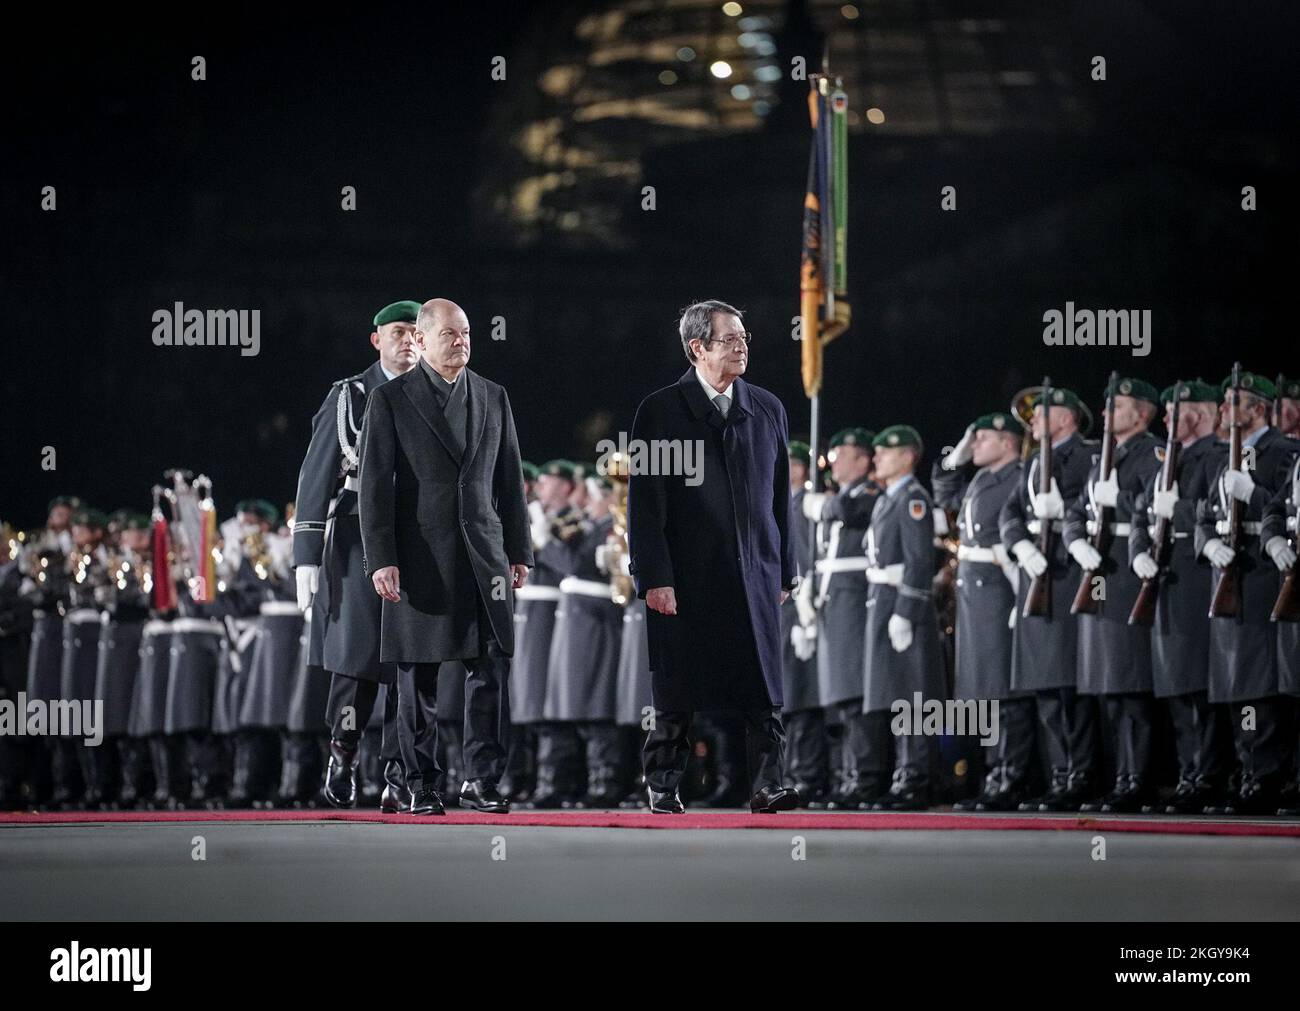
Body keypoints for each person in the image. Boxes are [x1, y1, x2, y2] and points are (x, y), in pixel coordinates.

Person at [358, 297, 532, 816]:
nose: (462, 342)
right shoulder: (390, 400)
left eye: (466, 333)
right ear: (424, 339)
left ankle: (480, 780)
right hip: (418, 557)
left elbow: (510, 479)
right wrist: (381, 558)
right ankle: (421, 782)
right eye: (451, 334)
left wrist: (517, 549)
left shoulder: (492, 395)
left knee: (490, 669)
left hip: (484, 555)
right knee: (417, 676)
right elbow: (374, 487)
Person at [627, 299, 798, 815]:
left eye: (744, 336)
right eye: (730, 339)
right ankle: (663, 782)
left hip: (756, 571)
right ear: (697, 347)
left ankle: (767, 785)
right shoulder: (659, 410)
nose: (743, 345)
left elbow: (780, 498)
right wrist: (654, 575)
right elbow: (645, 505)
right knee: (678, 688)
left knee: (763, 688)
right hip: (685, 576)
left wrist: (786, 568)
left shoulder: (767, 408)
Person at [292, 299, 421, 812]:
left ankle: (397, 771)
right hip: (355, 539)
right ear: (376, 340)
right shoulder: (351, 395)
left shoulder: (435, 393)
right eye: (397, 332)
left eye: (416, 332)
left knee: (412, 662)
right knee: (358, 660)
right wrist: (306, 554)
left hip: (416, 540)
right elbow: (316, 474)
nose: (408, 340)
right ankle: (344, 753)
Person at [1196, 371, 1298, 814]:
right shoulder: (1226, 458)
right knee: (1238, 687)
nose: (1223, 410)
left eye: (1232, 401)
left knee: (1261, 688)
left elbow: (1284, 510)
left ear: (1257, 407)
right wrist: (1207, 543)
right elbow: (1204, 514)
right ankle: (1248, 772)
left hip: (1261, 577)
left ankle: (1266, 778)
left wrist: (1253, 494)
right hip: (1230, 576)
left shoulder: (1283, 452)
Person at [1063, 377, 1163, 813]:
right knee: (1106, 686)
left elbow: (1150, 507)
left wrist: (1118, 499)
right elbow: (1076, 510)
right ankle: (1117, 776)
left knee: (1131, 685)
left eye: (1116, 406)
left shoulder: (1152, 453)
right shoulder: (1102, 455)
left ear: (1141, 413)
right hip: (1098, 570)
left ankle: (1137, 778)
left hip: (1126, 568)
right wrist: (1074, 541)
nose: (1105, 414)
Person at [1129, 380, 1229, 812]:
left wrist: (1180, 512)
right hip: (1164, 578)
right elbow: (1140, 513)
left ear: (1203, 414)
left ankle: (1206, 776)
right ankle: (1189, 773)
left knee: (1197, 686)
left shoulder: (1218, 457)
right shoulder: (1168, 460)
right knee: (1174, 686)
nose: (1167, 417)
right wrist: (1137, 553)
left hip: (1195, 576)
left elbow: (1217, 512)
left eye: (1177, 409)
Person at [999, 387, 1099, 811]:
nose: (1034, 418)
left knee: (1068, 689)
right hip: (1037, 575)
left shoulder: (1088, 455)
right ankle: (1059, 774)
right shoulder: (1034, 459)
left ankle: (1081, 776)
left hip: (1068, 576)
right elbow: (1010, 513)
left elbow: (1094, 505)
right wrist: (1020, 545)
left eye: (1043, 411)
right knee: (1044, 690)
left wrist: (1064, 510)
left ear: (1068, 417)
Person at [933, 413, 1031, 811]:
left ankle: (1010, 777)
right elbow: (945, 496)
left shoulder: (1018, 476)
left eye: (983, 438)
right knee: (983, 694)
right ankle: (991, 773)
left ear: (1007, 442)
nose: (975, 446)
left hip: (998, 589)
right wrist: (953, 460)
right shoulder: (983, 477)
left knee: (1004, 692)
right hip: (975, 595)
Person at [858, 425, 944, 810]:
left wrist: (906, 611)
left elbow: (920, 561)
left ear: (908, 456)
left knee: (912, 696)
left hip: (901, 606)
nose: (876, 459)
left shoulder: (913, 499)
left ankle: (915, 778)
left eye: (885, 453)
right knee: (894, 695)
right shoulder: (886, 499)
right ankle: (901, 775)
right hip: (882, 603)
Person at [799, 428, 881, 807]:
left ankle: (866, 776)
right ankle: (849, 775)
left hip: (854, 601)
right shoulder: (840, 494)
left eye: (843, 454)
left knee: (855, 696)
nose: (834, 460)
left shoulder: (867, 492)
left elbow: (851, 513)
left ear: (863, 461)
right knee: (841, 701)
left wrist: (821, 506)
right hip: (834, 602)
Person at [781, 440, 829, 804]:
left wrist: (804, 614)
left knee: (802, 699)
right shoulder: (782, 504)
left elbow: (807, 561)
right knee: (787, 700)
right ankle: (791, 772)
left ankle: (806, 775)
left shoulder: (803, 506)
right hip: (779, 612)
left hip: (801, 611)